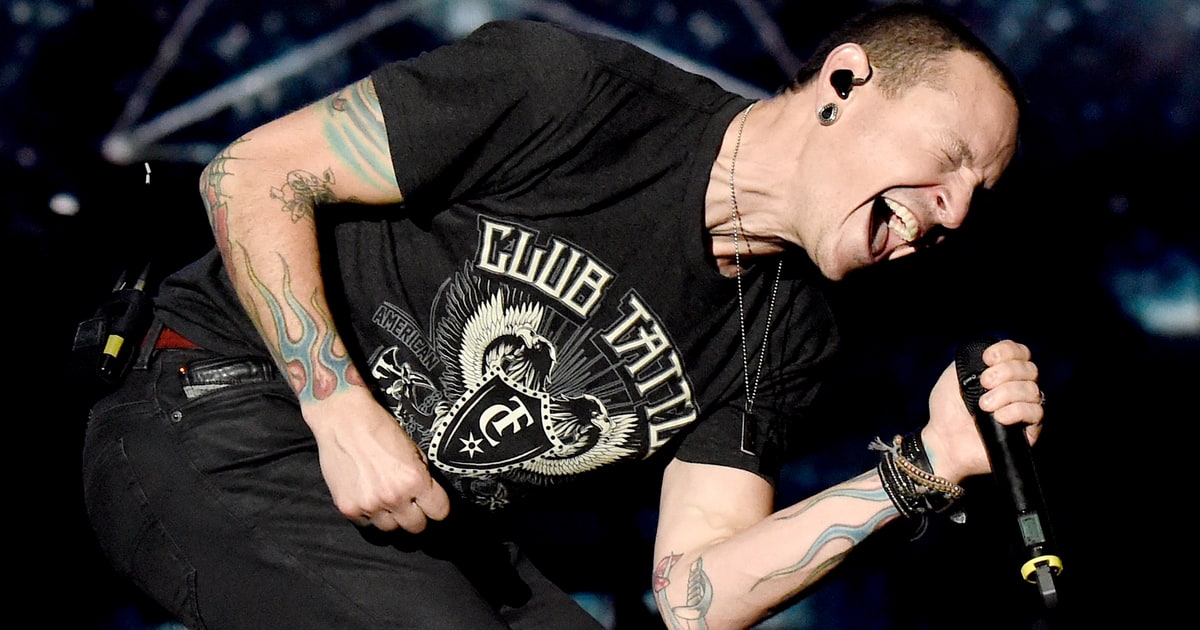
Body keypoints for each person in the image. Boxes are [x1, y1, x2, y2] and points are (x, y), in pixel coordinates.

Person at [80, 3, 1046, 629]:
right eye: (953, 157)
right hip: (215, 399)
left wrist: (922, 470)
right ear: (844, 80)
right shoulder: (572, 91)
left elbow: (695, 598)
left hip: (428, 528)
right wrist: (338, 408)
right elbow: (253, 173)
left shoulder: (791, 333)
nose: (957, 211)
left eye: (981, 194)